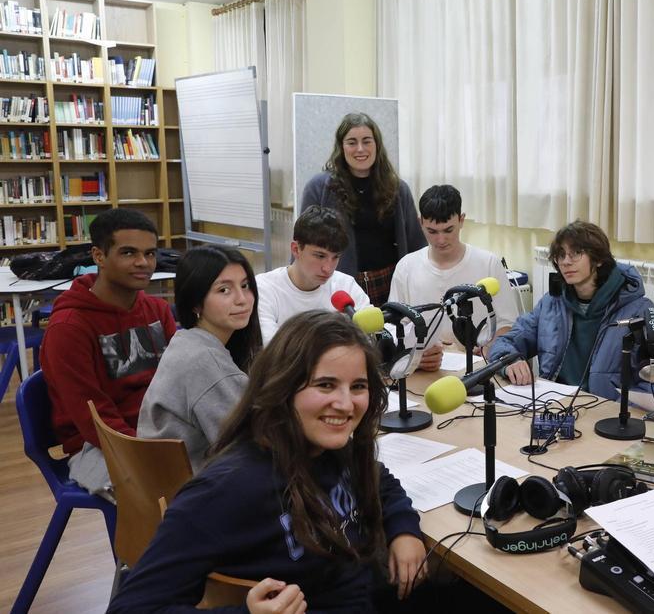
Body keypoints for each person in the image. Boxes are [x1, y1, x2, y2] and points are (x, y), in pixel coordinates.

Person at [107, 311, 427, 612]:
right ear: (282, 387)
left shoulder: (331, 447)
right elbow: (131, 607)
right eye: (325, 385)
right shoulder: (227, 489)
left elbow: (380, 480)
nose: (346, 404)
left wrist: (404, 529)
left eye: (358, 386)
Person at [40, 208, 176, 497]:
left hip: (158, 430)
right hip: (96, 445)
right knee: (160, 490)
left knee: (227, 472)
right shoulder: (69, 327)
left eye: (150, 253)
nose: (143, 263)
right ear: (99, 256)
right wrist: (149, 451)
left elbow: (180, 380)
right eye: (129, 253)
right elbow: (94, 419)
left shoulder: (158, 310)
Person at [487, 220, 654, 401]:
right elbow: (504, 343)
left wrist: (618, 413)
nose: (566, 262)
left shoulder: (638, 310)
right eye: (561, 255)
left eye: (575, 254)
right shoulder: (551, 303)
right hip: (555, 406)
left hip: (607, 416)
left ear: (598, 259)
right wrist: (510, 362)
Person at [138, 245, 263, 473]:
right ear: (195, 302)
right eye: (224, 290)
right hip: (194, 489)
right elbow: (250, 443)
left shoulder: (186, 340)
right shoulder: (204, 361)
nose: (242, 299)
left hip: (168, 479)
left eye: (245, 286)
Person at [300, 112, 426, 305]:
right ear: (341, 147)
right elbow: (302, 241)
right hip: (339, 285)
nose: (360, 149)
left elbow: (416, 244)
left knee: (389, 334)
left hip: (389, 283)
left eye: (367, 141)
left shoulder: (398, 189)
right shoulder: (318, 187)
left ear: (377, 145)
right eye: (352, 142)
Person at [388, 184, 517, 371]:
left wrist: (488, 348)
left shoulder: (489, 263)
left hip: (478, 369)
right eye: (432, 232)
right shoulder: (406, 267)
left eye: (448, 230)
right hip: (426, 371)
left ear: (462, 220)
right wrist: (415, 356)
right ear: (420, 222)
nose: (440, 240)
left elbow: (507, 323)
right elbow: (395, 327)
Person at [256, 205, 370, 344]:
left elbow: (369, 339)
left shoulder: (346, 285)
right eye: (320, 256)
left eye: (335, 257)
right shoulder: (264, 288)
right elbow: (272, 350)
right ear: (296, 249)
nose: (328, 269)